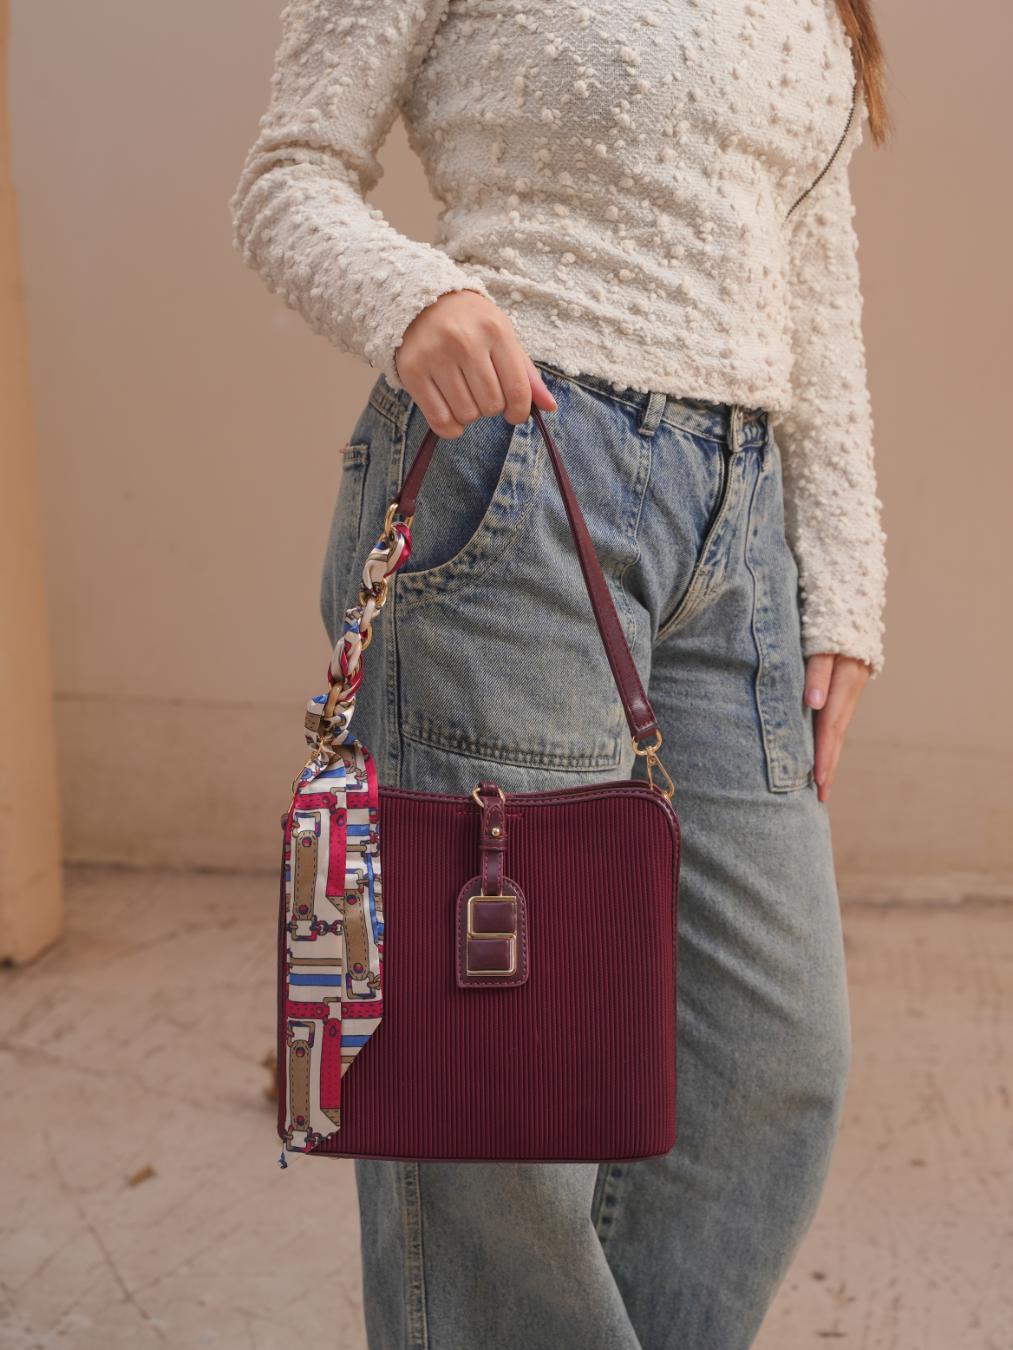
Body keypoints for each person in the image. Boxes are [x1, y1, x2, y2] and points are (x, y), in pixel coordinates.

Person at [230, 2, 890, 1346]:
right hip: (520, 482)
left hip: (742, 535)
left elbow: (813, 275)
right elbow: (285, 176)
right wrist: (415, 294)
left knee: (768, 1061)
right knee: (501, 1096)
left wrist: (842, 576)